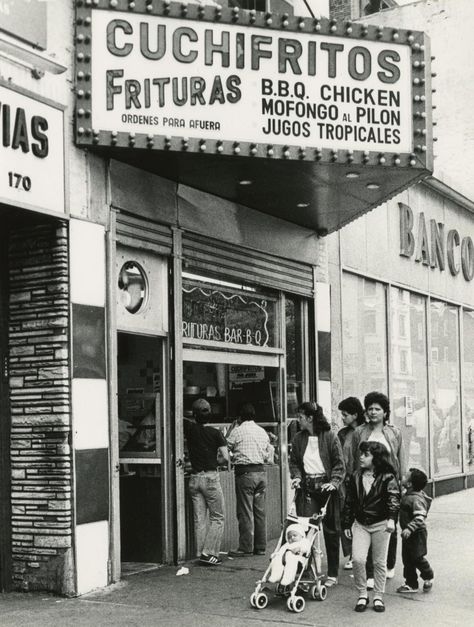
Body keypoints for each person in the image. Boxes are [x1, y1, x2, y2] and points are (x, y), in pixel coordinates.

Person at [351, 391, 406, 585]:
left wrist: (402, 484)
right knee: (366, 524)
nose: (373, 412)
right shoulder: (360, 432)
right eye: (370, 409)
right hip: (366, 485)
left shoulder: (394, 432)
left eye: (377, 409)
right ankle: (370, 572)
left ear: (385, 412)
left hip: (389, 485)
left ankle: (389, 564)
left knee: (390, 525)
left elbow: (400, 460)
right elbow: (353, 459)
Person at [289, 401, 345, 588]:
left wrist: (334, 482)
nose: (299, 420)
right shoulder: (298, 438)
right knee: (305, 530)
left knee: (331, 530)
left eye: (301, 417)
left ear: (310, 418)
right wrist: (296, 477)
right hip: (307, 488)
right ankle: (306, 572)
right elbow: (295, 462)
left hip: (326, 488)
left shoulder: (330, 437)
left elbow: (339, 463)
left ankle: (332, 573)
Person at [343, 441, 401, 613]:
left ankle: (378, 596)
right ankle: (362, 594)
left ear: (376, 458)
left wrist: (391, 519)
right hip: (361, 524)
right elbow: (350, 502)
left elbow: (394, 499)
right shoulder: (355, 476)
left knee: (379, 562)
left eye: (365, 454)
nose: (361, 457)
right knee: (359, 559)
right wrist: (347, 522)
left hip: (381, 524)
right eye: (361, 454)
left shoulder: (388, 477)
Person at [184, 398, 228, 566]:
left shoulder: (190, 429)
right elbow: (225, 457)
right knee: (218, 517)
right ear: (210, 414)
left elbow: (182, 419)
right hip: (210, 478)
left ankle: (200, 553)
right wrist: (216, 463)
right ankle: (209, 553)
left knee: (199, 519)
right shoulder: (216, 433)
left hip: (194, 479)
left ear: (194, 415)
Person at [227, 403, 272, 557]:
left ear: (240, 417)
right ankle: (260, 547)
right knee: (260, 512)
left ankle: (246, 547)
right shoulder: (262, 431)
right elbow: (268, 453)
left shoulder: (237, 431)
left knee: (245, 512)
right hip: (261, 474)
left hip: (245, 475)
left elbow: (225, 448)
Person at [337, 396, 365, 571]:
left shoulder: (364, 432)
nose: (343, 417)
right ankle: (351, 554)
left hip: (361, 478)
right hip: (345, 479)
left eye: (345, 414)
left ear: (355, 415)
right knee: (344, 516)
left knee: (361, 517)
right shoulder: (342, 434)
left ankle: (360, 553)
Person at [396, 468, 434, 594]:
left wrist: (409, 528)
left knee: (417, 557)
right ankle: (411, 583)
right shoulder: (407, 494)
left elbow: (420, 517)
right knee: (407, 559)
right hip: (407, 534)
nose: (402, 475)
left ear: (410, 484)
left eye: (406, 476)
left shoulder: (416, 499)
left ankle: (428, 575)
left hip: (416, 534)